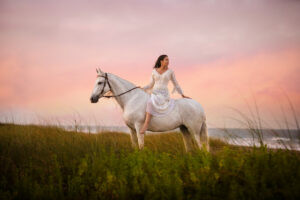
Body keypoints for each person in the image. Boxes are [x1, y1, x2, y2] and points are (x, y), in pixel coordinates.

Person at [139, 54, 191, 135]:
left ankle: (146, 124)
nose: (168, 61)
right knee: (146, 101)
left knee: (150, 102)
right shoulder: (154, 71)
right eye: (166, 60)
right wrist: (142, 88)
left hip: (163, 94)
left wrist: (182, 94)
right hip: (154, 92)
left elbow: (175, 83)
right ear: (161, 61)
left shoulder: (170, 72)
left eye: (168, 60)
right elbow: (150, 84)